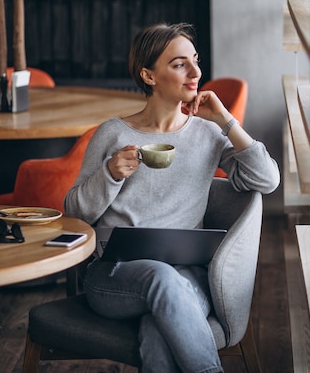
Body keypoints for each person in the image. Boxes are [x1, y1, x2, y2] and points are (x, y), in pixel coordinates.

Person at [64, 22, 280, 373]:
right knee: (160, 280)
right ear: (148, 75)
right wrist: (110, 175)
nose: (196, 72)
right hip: (113, 276)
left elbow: (267, 180)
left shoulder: (209, 134)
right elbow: (74, 213)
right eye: (180, 64)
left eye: (195, 60)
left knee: (157, 327)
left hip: (185, 276)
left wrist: (226, 121)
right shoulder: (113, 133)